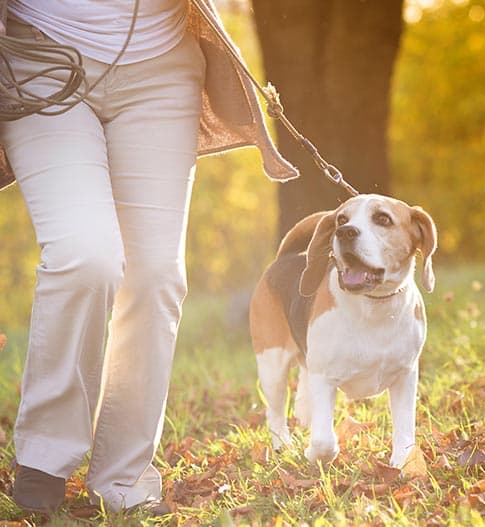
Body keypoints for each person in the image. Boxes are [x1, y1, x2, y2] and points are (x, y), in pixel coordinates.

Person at [0, 0, 298, 515]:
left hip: (160, 66)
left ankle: (124, 478)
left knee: (156, 274)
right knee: (84, 254)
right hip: (40, 57)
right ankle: (44, 461)